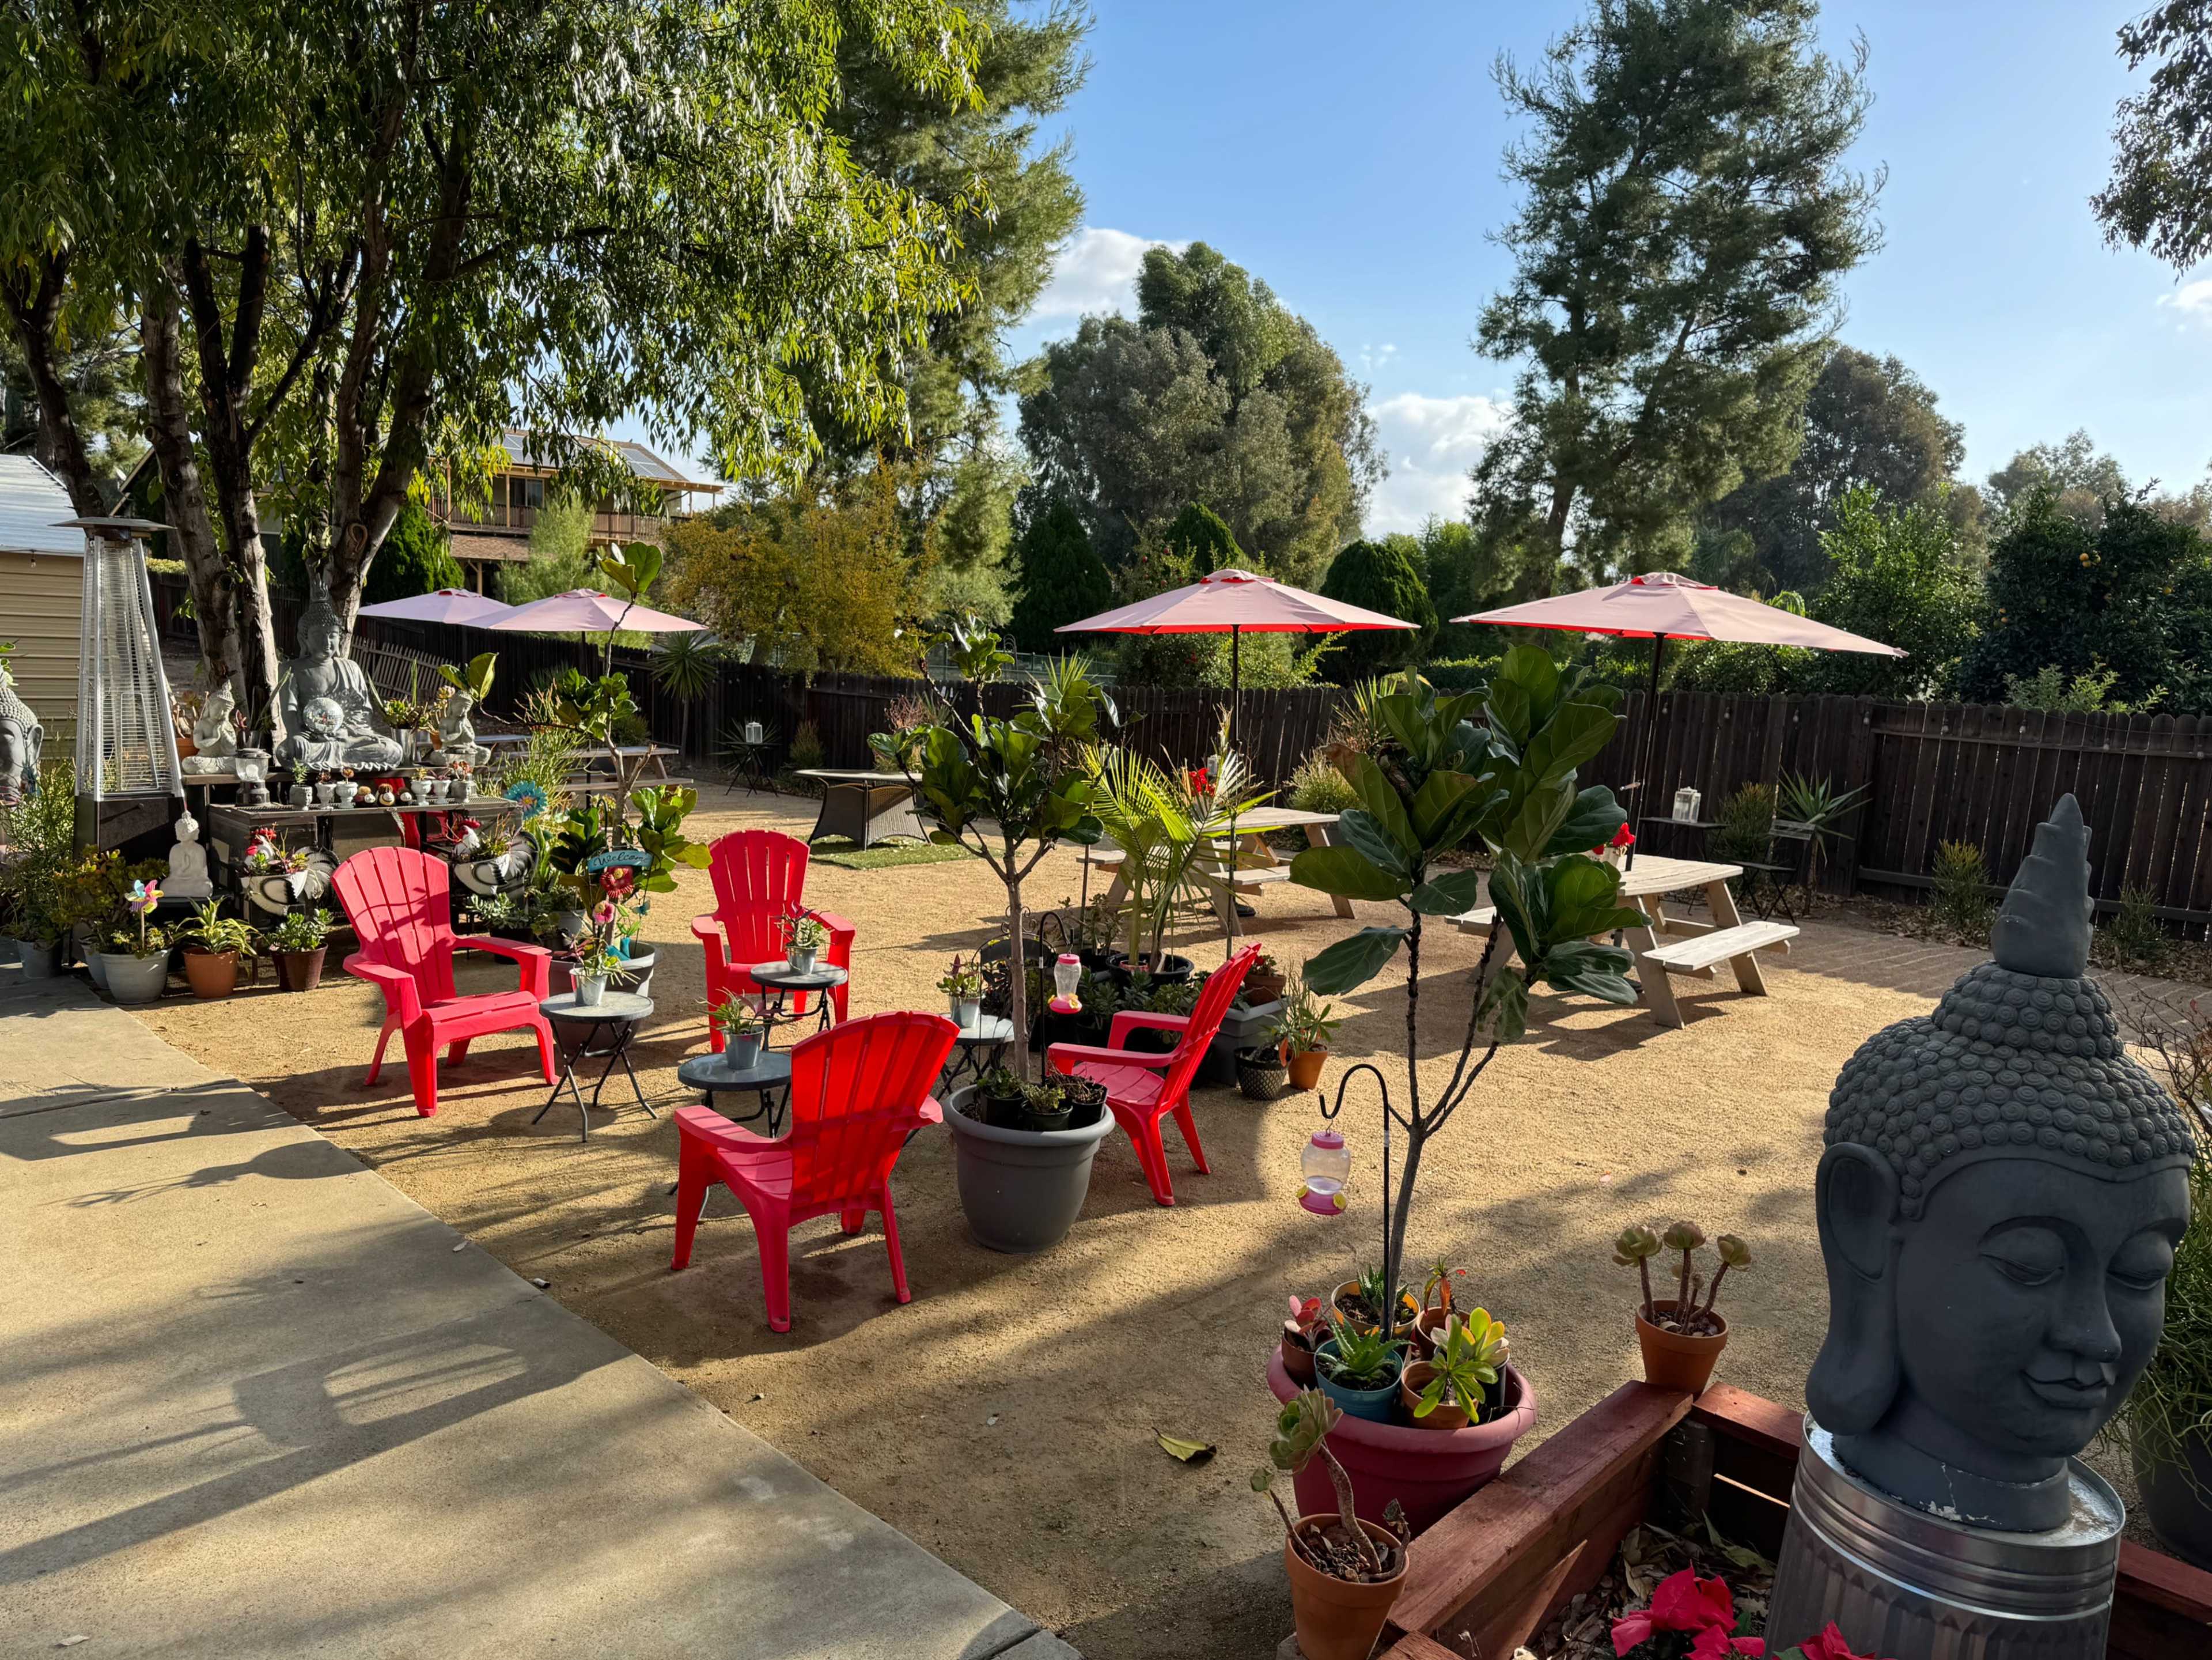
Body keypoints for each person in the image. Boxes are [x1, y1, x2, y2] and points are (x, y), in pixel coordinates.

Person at [275, 576, 402, 766]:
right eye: (319, 635)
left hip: (349, 738)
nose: (327, 643)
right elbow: (290, 708)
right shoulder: (291, 669)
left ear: (339, 638)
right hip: (313, 741)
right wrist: (295, 735)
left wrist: (348, 733)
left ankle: (342, 759)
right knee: (287, 753)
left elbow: (362, 713)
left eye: (332, 635)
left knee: (393, 751)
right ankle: (339, 759)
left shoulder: (350, 668)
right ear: (305, 639)